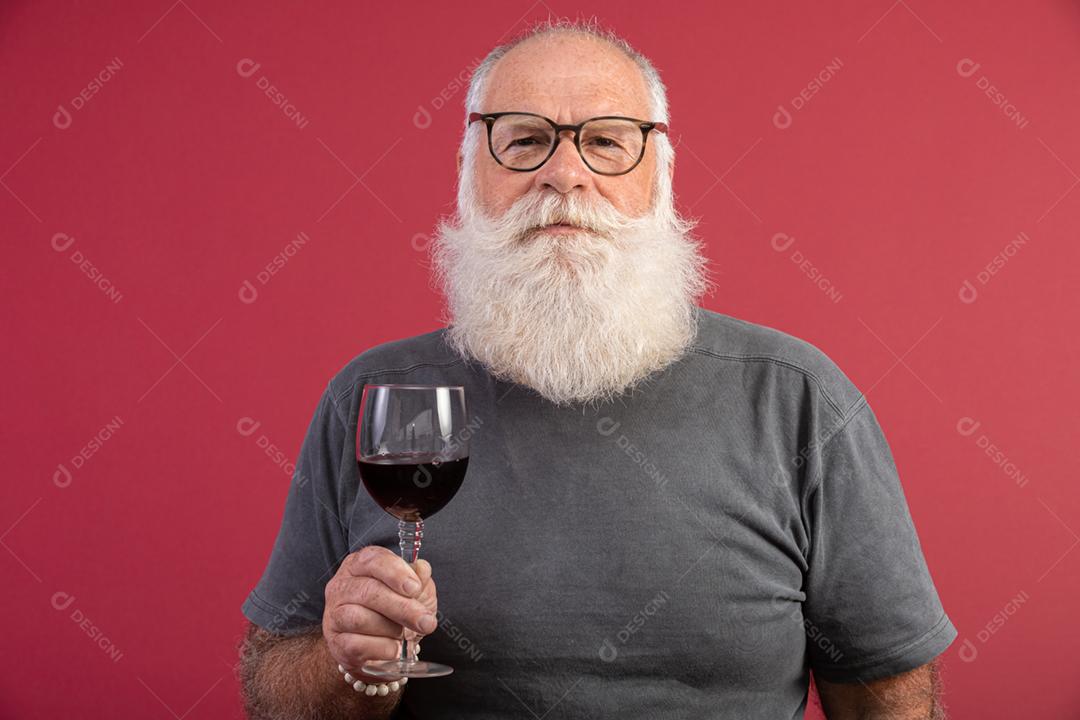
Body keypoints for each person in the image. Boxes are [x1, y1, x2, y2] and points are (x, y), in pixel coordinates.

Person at [238, 18, 957, 719]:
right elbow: (274, 691)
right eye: (524, 140)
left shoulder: (796, 397)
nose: (564, 174)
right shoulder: (372, 398)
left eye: (606, 142)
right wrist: (345, 664)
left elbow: (886, 695)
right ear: (468, 174)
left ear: (661, 178)